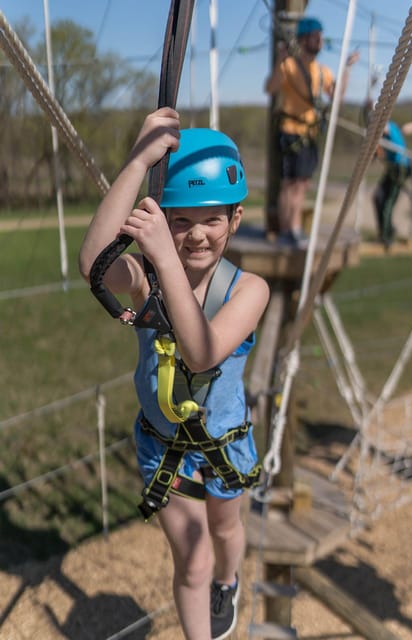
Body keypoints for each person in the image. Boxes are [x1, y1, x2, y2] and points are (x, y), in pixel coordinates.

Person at [79, 107, 270, 640]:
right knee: (191, 558)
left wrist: (162, 255)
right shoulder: (146, 280)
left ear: (234, 221)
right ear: (161, 220)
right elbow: (93, 262)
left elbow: (202, 352)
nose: (196, 236)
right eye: (180, 221)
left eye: (212, 220)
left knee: (227, 530)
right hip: (165, 447)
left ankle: (227, 584)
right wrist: (140, 158)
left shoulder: (250, 289)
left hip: (225, 442)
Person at [265, 16, 359, 246]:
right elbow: (270, 88)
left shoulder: (321, 71)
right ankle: (288, 229)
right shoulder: (289, 66)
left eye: (320, 37)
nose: (319, 41)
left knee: (302, 183)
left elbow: (336, 97)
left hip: (309, 133)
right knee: (290, 183)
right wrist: (280, 60)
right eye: (315, 37)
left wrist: (346, 69)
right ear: (304, 39)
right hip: (290, 131)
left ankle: (294, 228)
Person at [373, 119, 412, 248]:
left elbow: (384, 128)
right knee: (377, 197)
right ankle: (387, 229)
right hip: (392, 168)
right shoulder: (387, 133)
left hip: (400, 169)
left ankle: (387, 236)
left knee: (388, 203)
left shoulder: (388, 127)